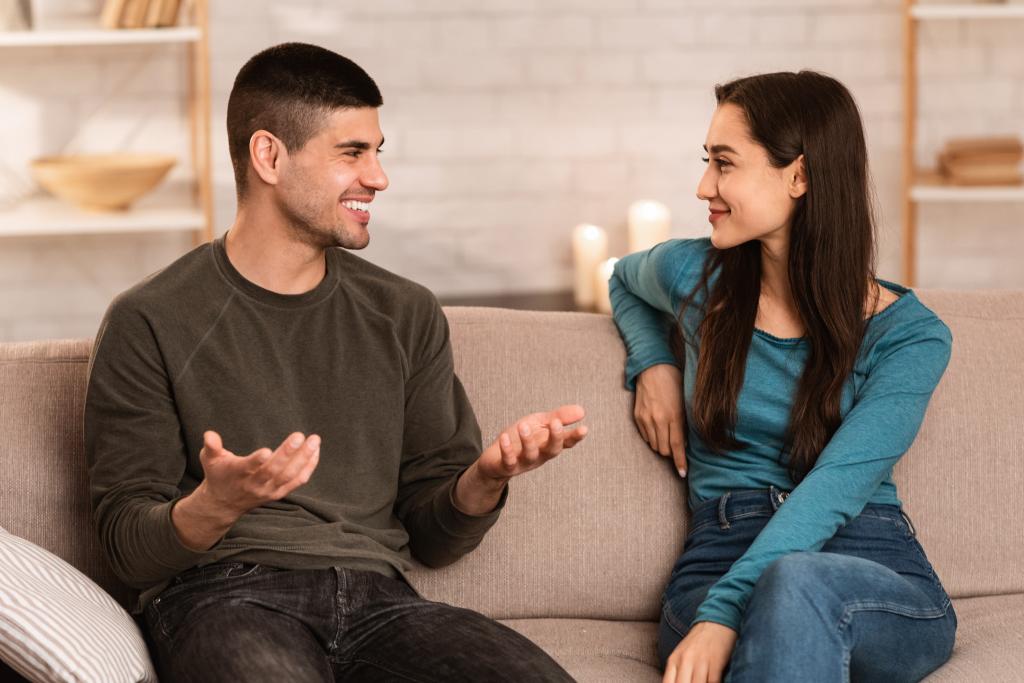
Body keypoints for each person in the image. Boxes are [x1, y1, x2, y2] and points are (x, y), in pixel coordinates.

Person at [84, 42, 586, 682]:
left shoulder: (404, 312)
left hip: (383, 601)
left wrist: (484, 479)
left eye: (378, 152)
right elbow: (128, 548)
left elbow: (433, 537)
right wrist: (218, 502)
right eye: (352, 153)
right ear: (269, 156)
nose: (378, 177)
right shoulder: (150, 318)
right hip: (223, 596)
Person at [609, 71, 956, 683]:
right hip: (721, 550)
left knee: (794, 584)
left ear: (798, 175)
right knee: (786, 604)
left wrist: (724, 613)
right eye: (706, 161)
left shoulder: (910, 337)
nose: (703, 186)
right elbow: (621, 280)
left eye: (724, 163)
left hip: (868, 568)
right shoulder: (694, 276)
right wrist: (654, 364)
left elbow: (836, 487)